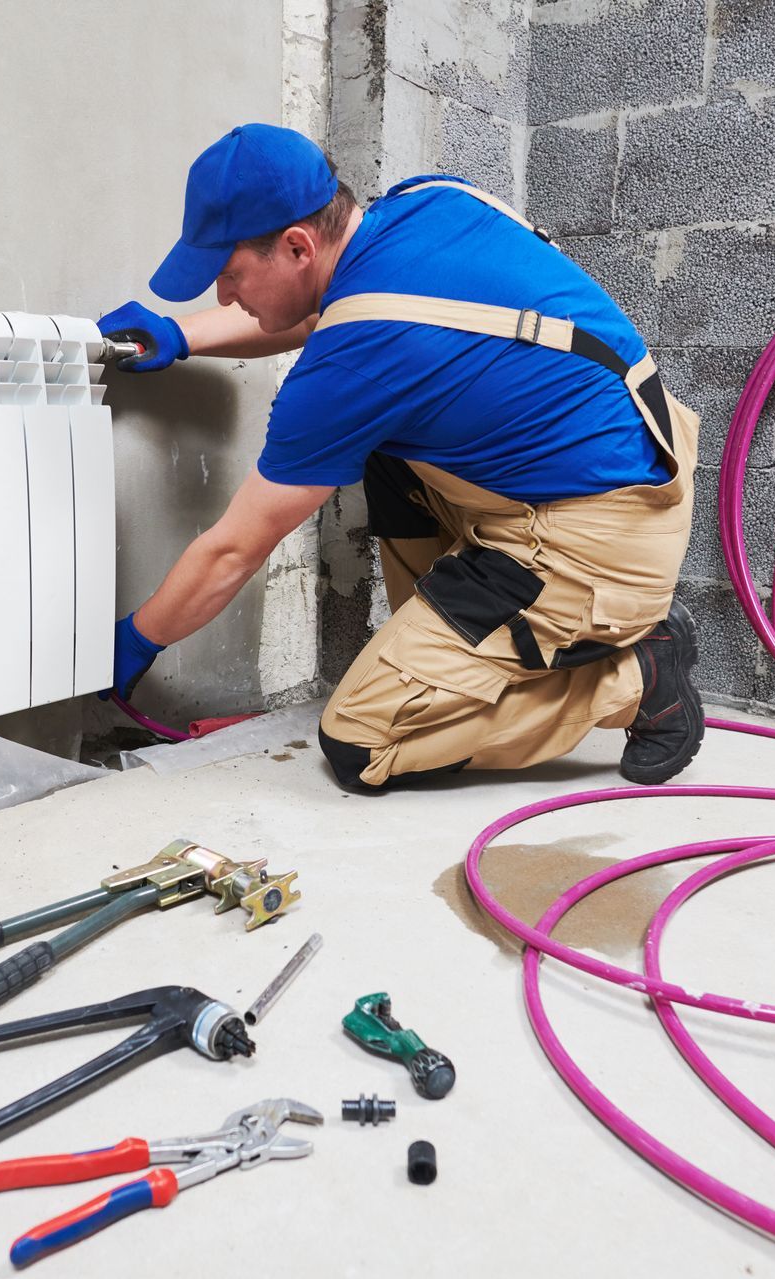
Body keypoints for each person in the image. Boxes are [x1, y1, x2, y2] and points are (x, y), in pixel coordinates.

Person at [98, 123, 703, 794]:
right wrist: (179, 336)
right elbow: (333, 310)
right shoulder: (424, 203)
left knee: (362, 743)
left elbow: (233, 550)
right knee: (384, 454)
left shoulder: (358, 362)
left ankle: (636, 679)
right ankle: (457, 661)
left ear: (298, 245)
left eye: (229, 275)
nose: (222, 298)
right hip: (628, 461)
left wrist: (135, 641)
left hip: (594, 539)